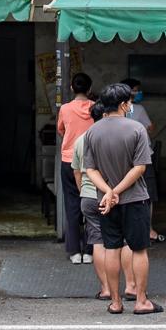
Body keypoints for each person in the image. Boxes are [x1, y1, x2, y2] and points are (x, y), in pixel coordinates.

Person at [82, 82, 161, 315]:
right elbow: (140, 168)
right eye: (130, 101)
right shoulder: (136, 129)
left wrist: (108, 192)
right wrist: (117, 191)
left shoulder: (92, 132)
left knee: (111, 248)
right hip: (134, 199)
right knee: (138, 249)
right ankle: (141, 301)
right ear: (125, 104)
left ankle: (115, 302)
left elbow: (90, 169)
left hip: (105, 202)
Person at [73, 102, 115, 301]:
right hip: (113, 196)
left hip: (89, 196)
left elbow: (76, 171)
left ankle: (106, 288)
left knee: (98, 242)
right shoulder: (114, 137)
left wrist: (84, 191)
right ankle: (128, 287)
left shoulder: (81, 139)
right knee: (118, 241)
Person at [57, 73, 96, 264]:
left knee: (72, 206)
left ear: (72, 88)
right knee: (91, 204)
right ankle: (89, 251)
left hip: (68, 160)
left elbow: (61, 130)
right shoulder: (96, 108)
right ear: (89, 89)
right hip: (91, 163)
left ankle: (74, 252)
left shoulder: (65, 109)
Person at [123, 78, 164, 242]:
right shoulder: (137, 108)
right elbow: (150, 127)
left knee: (124, 191)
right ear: (129, 91)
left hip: (122, 156)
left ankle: (126, 229)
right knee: (148, 193)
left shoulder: (114, 110)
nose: (139, 93)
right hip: (143, 156)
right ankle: (148, 229)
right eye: (136, 90)